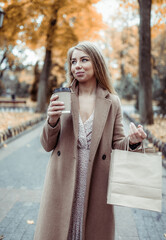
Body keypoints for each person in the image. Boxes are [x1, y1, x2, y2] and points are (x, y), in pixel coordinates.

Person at [34, 41, 147, 240]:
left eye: (84, 60)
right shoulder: (63, 96)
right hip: (64, 179)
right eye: (73, 61)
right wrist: (51, 121)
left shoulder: (112, 101)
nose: (77, 65)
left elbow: (118, 142)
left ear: (97, 63)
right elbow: (47, 145)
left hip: (96, 179)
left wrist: (133, 141)